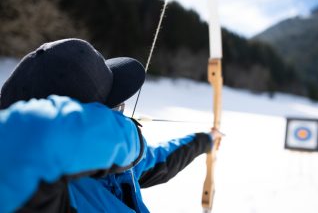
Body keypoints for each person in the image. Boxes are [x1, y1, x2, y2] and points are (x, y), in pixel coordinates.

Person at [0, 38, 221, 213]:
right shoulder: (43, 197)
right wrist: (126, 138)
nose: (121, 115)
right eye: (114, 109)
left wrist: (205, 140)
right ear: (87, 120)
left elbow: (161, 159)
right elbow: (16, 148)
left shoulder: (118, 164)